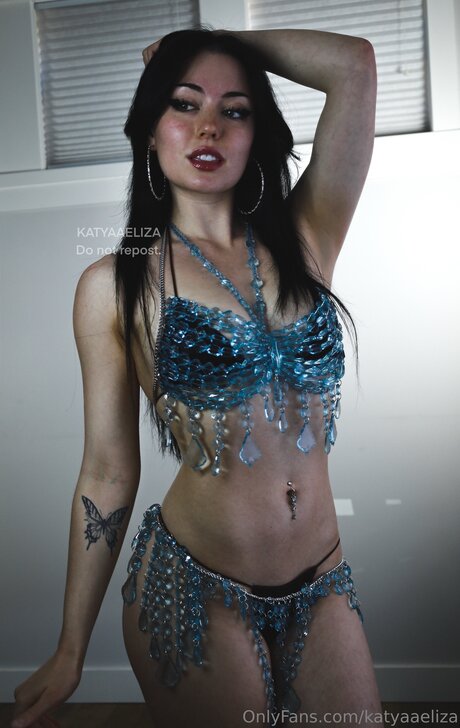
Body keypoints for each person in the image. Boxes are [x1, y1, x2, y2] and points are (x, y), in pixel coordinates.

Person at [12, 26, 380, 728]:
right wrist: (70, 649)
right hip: (193, 590)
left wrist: (205, 42)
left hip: (323, 582)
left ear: (255, 135)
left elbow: (355, 66)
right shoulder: (115, 284)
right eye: (183, 103)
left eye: (235, 110)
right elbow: (106, 473)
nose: (210, 125)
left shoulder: (308, 235)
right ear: (149, 129)